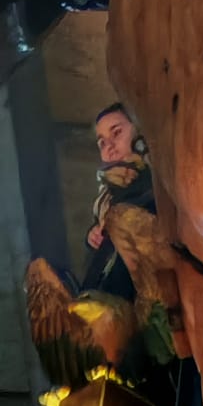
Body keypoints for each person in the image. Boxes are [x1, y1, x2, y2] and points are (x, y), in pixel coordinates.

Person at [79, 103, 156, 296]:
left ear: (139, 130)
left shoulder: (156, 181)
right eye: (102, 143)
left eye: (117, 133)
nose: (110, 146)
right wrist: (93, 236)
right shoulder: (106, 196)